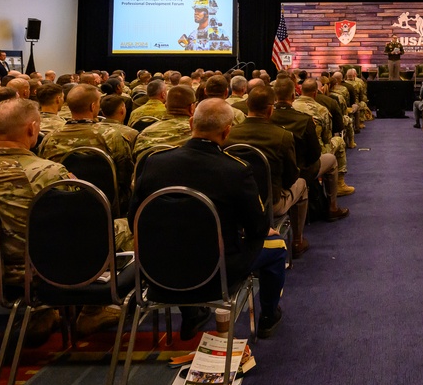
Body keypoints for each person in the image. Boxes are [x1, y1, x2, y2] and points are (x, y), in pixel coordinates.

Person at [0, 98, 133, 343]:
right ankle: (92, 309)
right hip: (42, 273)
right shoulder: (49, 173)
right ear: (32, 129)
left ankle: (43, 313)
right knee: (123, 227)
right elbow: (84, 227)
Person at [131, 99, 287, 340]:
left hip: (158, 271)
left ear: (191, 123)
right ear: (227, 131)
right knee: (276, 246)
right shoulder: (236, 169)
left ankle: (191, 313)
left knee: (179, 239)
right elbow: (256, 228)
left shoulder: (154, 162)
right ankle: (268, 316)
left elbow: (135, 219)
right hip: (218, 273)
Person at [225, 85, 311, 257]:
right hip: (270, 203)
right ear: (271, 110)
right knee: (302, 184)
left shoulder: (229, 134)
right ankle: (297, 241)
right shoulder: (282, 136)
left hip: (235, 202)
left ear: (247, 105)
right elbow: (291, 177)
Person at [270, 78, 348, 222]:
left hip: (271, 172)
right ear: (293, 95)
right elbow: (315, 153)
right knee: (331, 159)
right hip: (300, 169)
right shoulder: (306, 119)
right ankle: (332, 207)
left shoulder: (267, 117)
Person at [132, 86, 197, 160]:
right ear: (192, 108)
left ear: (166, 106)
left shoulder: (143, 134)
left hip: (149, 170)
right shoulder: (197, 135)